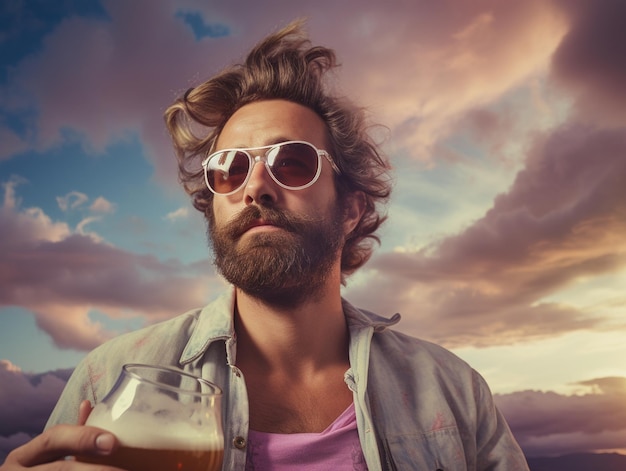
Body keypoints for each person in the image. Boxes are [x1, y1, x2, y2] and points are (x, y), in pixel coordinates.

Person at [1, 20, 530, 471]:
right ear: (214, 204)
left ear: (351, 208)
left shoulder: (454, 393)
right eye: (229, 170)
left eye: (292, 162)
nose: (255, 186)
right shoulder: (109, 378)